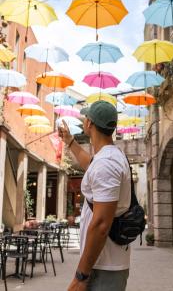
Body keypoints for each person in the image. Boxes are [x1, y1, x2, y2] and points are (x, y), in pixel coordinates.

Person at [58, 100, 131, 291]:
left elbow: (101, 224)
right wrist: (70, 141)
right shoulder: (109, 157)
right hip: (104, 264)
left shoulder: (106, 163)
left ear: (89, 124)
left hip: (103, 267)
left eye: (85, 118)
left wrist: (81, 276)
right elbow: (91, 165)